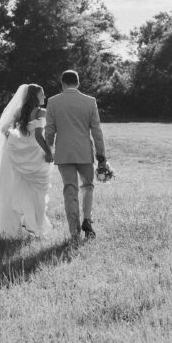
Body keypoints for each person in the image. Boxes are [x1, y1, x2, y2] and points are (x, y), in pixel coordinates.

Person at [44, 70, 108, 242]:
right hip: (85, 153)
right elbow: (97, 131)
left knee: (70, 190)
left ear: (62, 83)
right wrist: (101, 156)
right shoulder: (90, 101)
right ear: (78, 83)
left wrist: (48, 150)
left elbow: (49, 131)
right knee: (87, 186)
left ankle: (74, 231)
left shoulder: (53, 102)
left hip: (64, 154)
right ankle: (87, 219)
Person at [0, 84, 54, 238]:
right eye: (42, 94)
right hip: (35, 154)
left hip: (22, 153)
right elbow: (38, 135)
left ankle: (27, 222)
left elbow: (5, 128)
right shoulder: (41, 112)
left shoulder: (20, 111)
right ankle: (34, 224)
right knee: (37, 192)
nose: (45, 97)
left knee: (21, 187)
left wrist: (14, 136)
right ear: (35, 96)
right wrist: (49, 152)